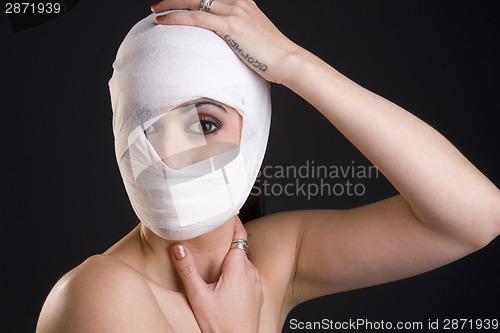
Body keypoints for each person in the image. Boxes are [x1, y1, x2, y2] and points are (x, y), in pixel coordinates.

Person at [36, 0, 500, 332]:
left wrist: (295, 65)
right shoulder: (100, 292)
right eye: (147, 126)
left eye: (204, 122)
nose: (170, 153)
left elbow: (475, 217)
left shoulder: (274, 260)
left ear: (255, 128)